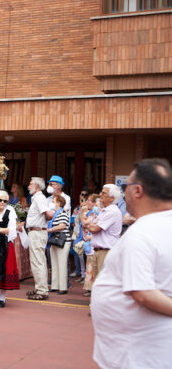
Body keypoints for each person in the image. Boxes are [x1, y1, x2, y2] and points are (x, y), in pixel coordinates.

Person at [91, 158, 172, 368]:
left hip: (138, 355)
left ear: (137, 191)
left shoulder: (142, 233)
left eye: (125, 187)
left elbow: (142, 292)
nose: (123, 193)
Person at [83, 184, 123, 285]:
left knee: (104, 284)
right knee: (97, 283)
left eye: (104, 193)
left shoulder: (112, 211)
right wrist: (89, 224)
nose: (100, 194)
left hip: (106, 252)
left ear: (112, 198)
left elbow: (94, 228)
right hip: (99, 252)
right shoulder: (104, 211)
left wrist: (88, 224)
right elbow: (91, 225)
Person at [26, 177, 54, 300]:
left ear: (37, 186)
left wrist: (42, 221)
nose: (28, 186)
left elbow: (49, 214)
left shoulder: (39, 198)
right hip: (37, 232)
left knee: (38, 262)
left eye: (30, 184)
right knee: (38, 261)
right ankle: (40, 288)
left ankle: (42, 291)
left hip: (37, 233)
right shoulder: (38, 198)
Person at [48, 195, 71, 294]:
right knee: (54, 263)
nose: (52, 203)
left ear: (58, 202)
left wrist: (51, 229)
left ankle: (63, 287)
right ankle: (55, 285)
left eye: (53, 201)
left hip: (63, 241)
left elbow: (62, 225)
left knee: (61, 264)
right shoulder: (54, 214)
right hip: (55, 240)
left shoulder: (63, 213)